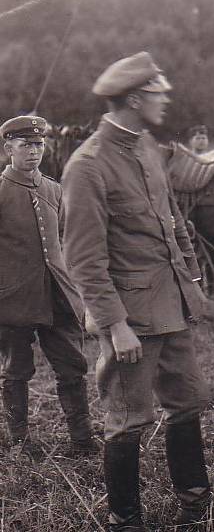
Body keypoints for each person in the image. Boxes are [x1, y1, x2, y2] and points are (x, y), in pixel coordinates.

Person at [62, 52, 211, 531]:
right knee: (128, 421)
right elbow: (85, 259)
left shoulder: (147, 146)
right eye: (156, 92)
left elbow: (173, 222)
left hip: (173, 307)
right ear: (132, 98)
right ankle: (125, 519)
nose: (165, 99)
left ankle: (194, 504)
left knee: (187, 403)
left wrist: (191, 281)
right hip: (131, 320)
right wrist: (115, 326)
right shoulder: (87, 166)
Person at [0, 115, 96, 458]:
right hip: (14, 300)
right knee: (16, 371)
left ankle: (83, 441)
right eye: (26, 145)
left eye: (39, 144)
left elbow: (66, 240)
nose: (34, 151)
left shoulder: (53, 189)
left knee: (72, 366)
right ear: (8, 147)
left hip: (58, 295)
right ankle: (20, 443)